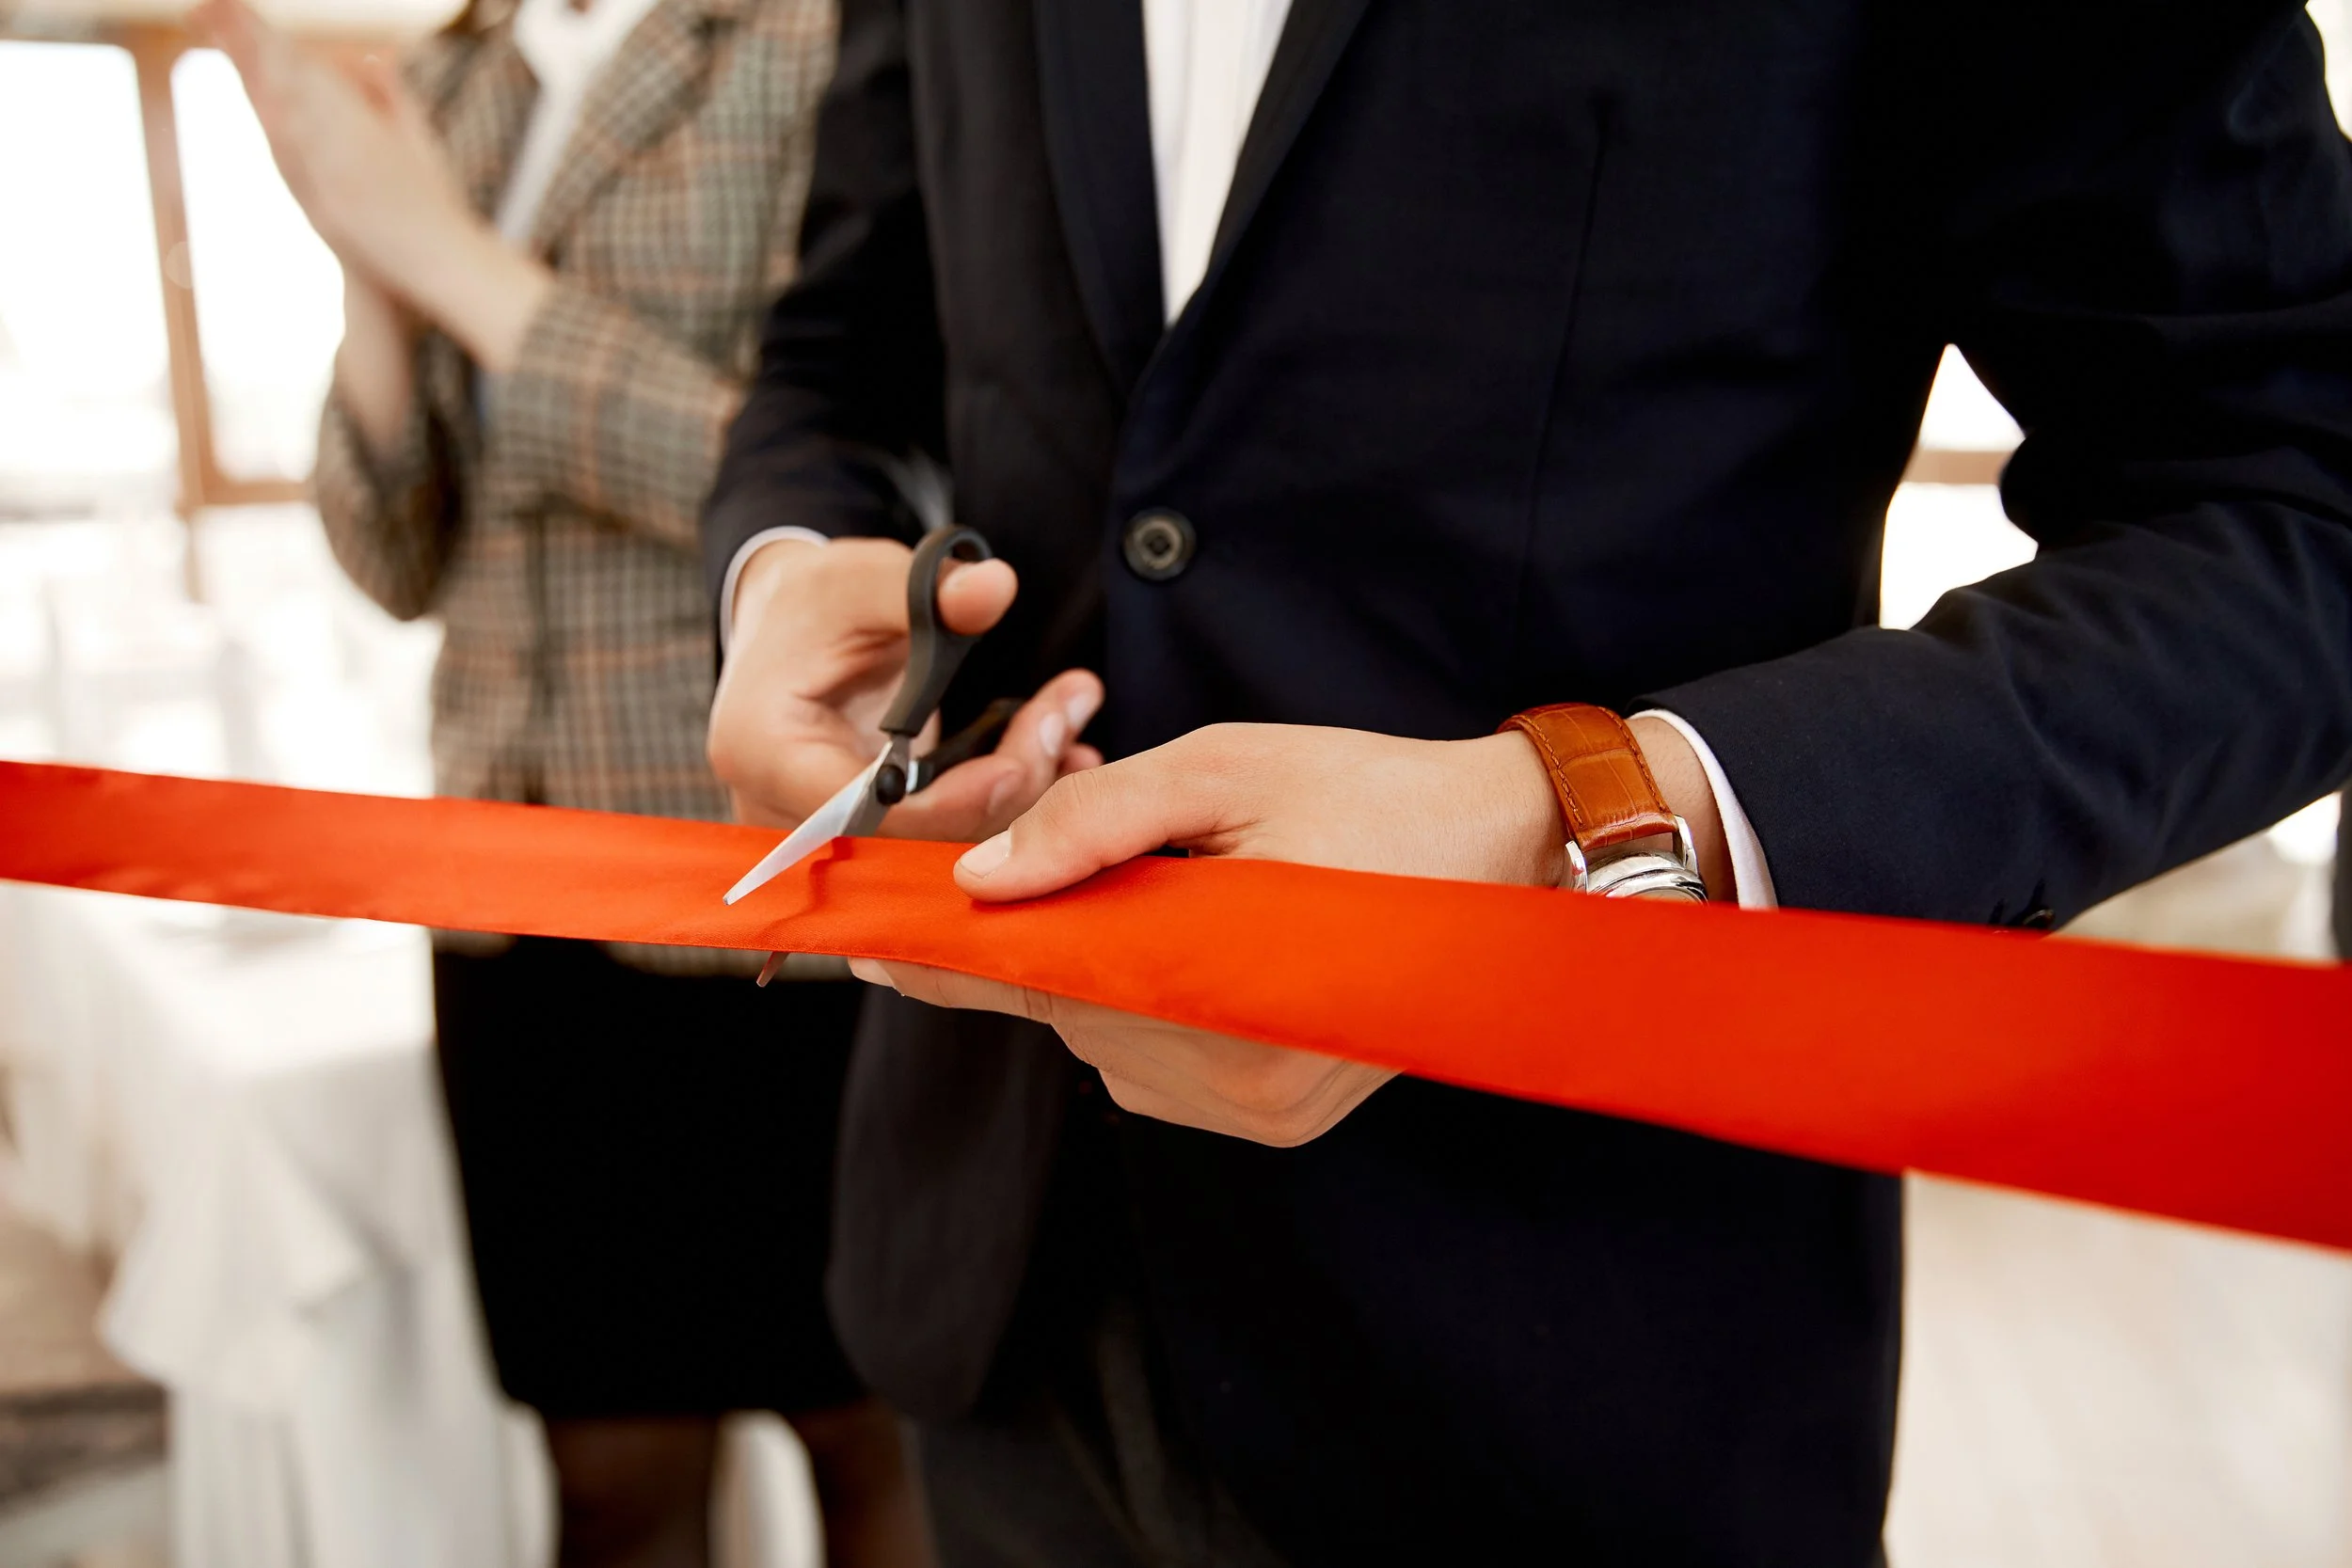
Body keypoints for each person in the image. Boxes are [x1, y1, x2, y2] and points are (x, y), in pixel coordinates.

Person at [704, 1, 2352, 1563]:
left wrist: (1591, 820)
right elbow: (850, 345)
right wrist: (778, 571)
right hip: (1001, 1298)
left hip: (1586, 1354)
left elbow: (2297, 509)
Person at [200, 1, 930, 1563]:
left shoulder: (820, 42)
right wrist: (372, 275)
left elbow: (833, 482)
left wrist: (461, 265)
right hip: (510, 905)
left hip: (768, 877)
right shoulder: (454, 78)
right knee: (605, 1477)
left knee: (876, 1438)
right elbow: (398, 557)